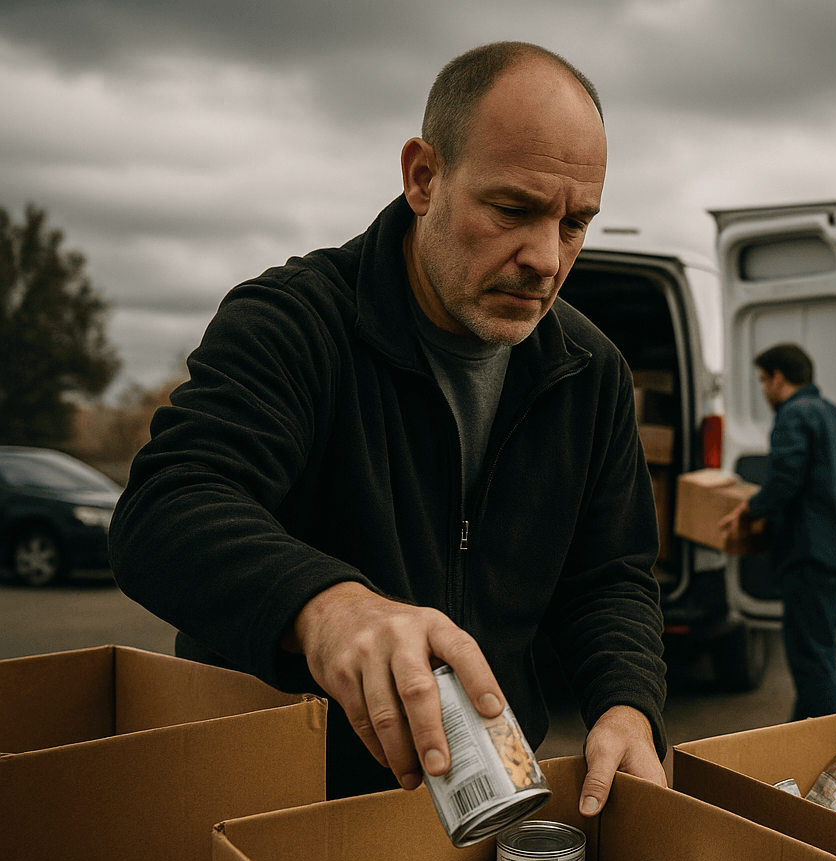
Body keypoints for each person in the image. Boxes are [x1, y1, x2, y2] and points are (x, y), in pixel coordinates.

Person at [109, 42, 667, 810]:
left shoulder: (589, 369)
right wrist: (331, 609)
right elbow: (165, 508)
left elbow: (609, 579)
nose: (545, 257)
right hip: (278, 795)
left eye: (575, 224)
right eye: (513, 210)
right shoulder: (294, 322)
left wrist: (626, 704)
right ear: (423, 177)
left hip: (488, 794)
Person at [718, 343, 836, 719]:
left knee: (811, 661)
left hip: (810, 557)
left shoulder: (795, 414)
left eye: (764, 381)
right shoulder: (835, 415)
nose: (765, 390)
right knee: (819, 653)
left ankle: (821, 744)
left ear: (778, 378)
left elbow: (786, 478)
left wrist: (749, 508)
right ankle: (803, 734)